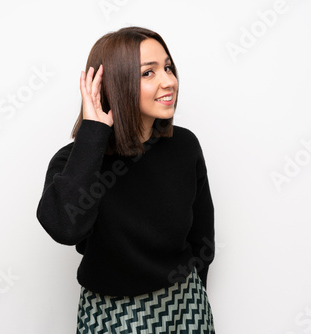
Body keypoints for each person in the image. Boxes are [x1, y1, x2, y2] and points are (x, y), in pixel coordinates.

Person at [36, 26, 216, 333]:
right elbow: (64, 229)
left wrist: (192, 302)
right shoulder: (75, 161)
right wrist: (93, 132)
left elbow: (202, 238)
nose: (168, 81)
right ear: (117, 84)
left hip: (187, 305)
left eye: (168, 67)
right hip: (113, 314)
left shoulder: (184, 146)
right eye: (149, 73)